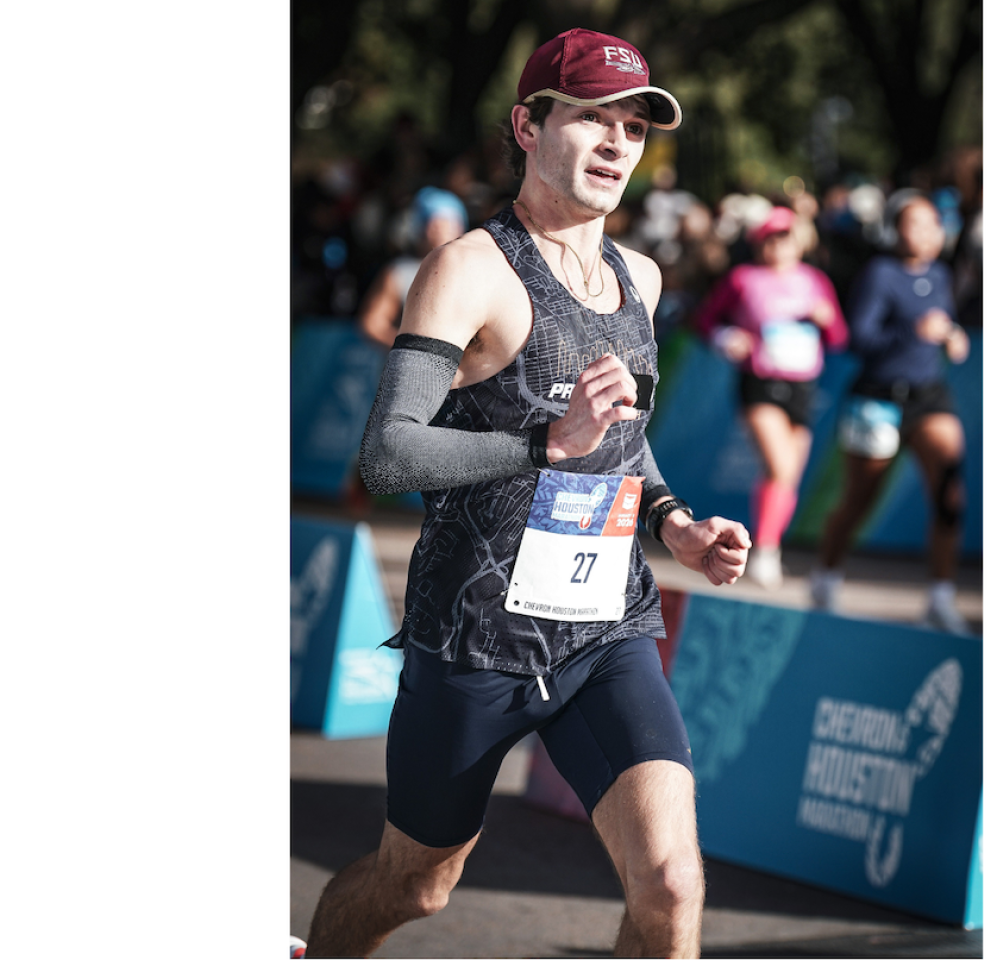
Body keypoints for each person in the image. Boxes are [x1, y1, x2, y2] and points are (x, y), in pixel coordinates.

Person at [297, 28, 752, 960]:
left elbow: (625, 444)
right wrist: (547, 442)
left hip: (604, 632)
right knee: (414, 886)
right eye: (590, 116)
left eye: (633, 124)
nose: (617, 141)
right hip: (475, 641)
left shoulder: (643, 278)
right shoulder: (471, 268)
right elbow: (387, 455)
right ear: (526, 124)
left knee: (670, 885)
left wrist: (677, 527)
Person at [809, 190, 971, 633]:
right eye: (912, 224)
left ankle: (940, 597)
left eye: (931, 224)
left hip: (928, 396)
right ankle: (825, 578)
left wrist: (952, 335)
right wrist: (911, 333)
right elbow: (858, 339)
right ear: (895, 231)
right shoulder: (880, 274)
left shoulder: (941, 274)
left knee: (950, 492)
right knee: (861, 498)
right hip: (878, 397)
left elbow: (941, 325)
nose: (923, 233)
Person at [694, 204, 847, 587]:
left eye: (785, 237)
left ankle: (768, 546)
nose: (778, 245)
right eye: (770, 238)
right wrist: (727, 337)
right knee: (779, 467)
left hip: (802, 386)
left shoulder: (814, 281)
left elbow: (840, 338)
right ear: (760, 243)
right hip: (761, 383)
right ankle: (764, 550)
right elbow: (704, 319)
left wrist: (827, 321)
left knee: (786, 477)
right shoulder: (743, 279)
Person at [357, 186, 468, 347]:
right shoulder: (400, 272)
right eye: (434, 224)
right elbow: (372, 324)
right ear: (420, 228)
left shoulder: (476, 271)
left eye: (449, 223)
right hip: (409, 368)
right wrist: (412, 351)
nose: (441, 231)